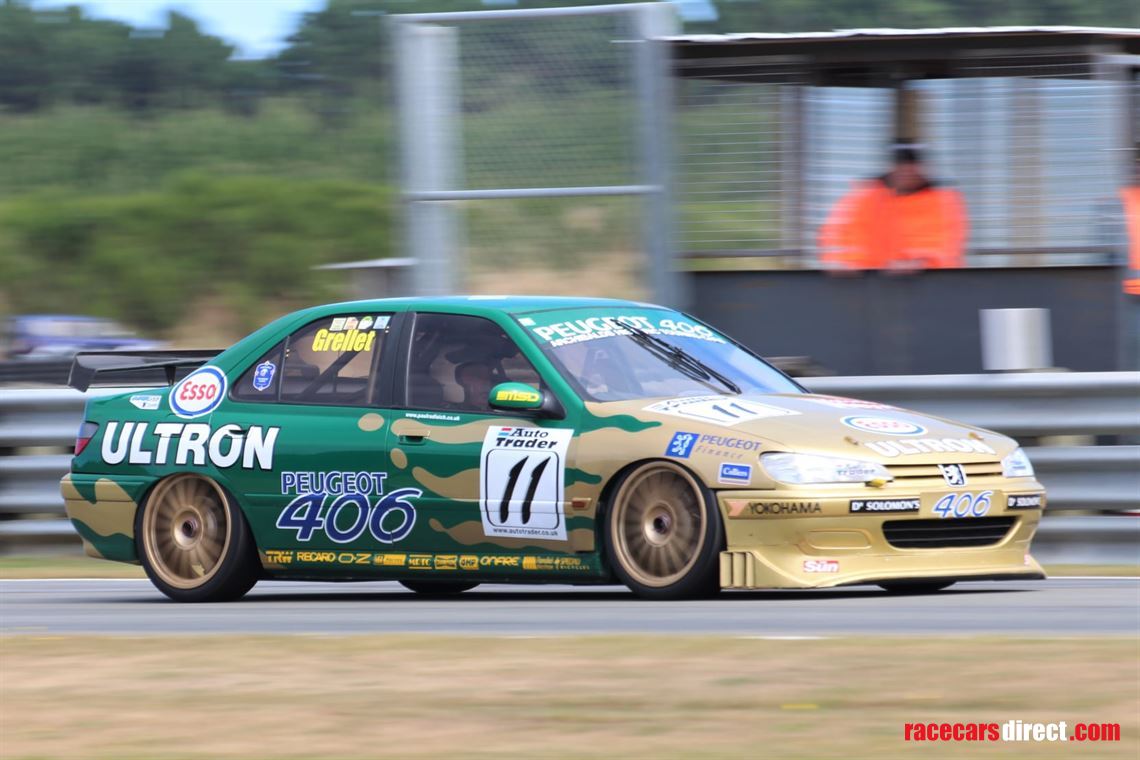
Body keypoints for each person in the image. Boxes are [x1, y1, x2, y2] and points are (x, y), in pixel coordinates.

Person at [818, 143, 968, 271]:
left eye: (912, 163)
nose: (907, 170)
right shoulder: (863, 198)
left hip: (929, 285)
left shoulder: (943, 200)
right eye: (901, 163)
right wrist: (844, 262)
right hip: (869, 287)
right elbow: (840, 236)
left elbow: (946, 243)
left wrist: (921, 261)